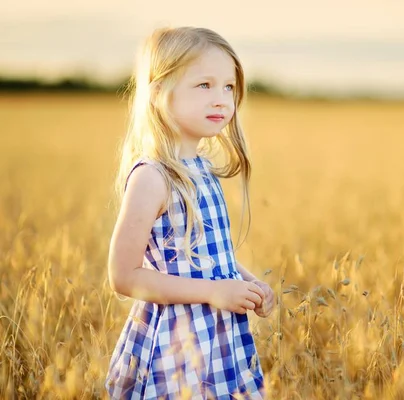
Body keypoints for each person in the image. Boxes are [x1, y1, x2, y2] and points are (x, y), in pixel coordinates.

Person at [104, 26, 275, 399]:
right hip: (178, 342)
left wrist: (247, 283)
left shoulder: (204, 169)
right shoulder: (153, 177)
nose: (221, 100)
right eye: (204, 86)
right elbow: (123, 276)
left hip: (219, 338)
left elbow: (211, 257)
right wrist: (214, 293)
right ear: (157, 94)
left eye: (229, 87)